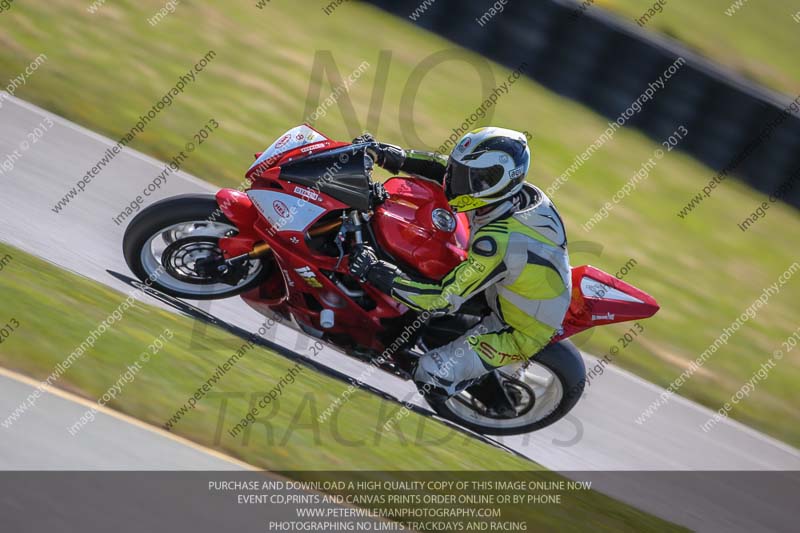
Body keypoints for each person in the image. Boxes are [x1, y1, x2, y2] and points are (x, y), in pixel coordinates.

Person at [349, 127, 571, 399]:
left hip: (515, 327)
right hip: (508, 284)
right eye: (459, 171)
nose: (455, 183)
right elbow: (443, 169)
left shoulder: (498, 242)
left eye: (471, 178)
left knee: (429, 374)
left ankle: (480, 386)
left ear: (498, 181)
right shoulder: (513, 195)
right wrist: (389, 155)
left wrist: (376, 273)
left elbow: (442, 299)